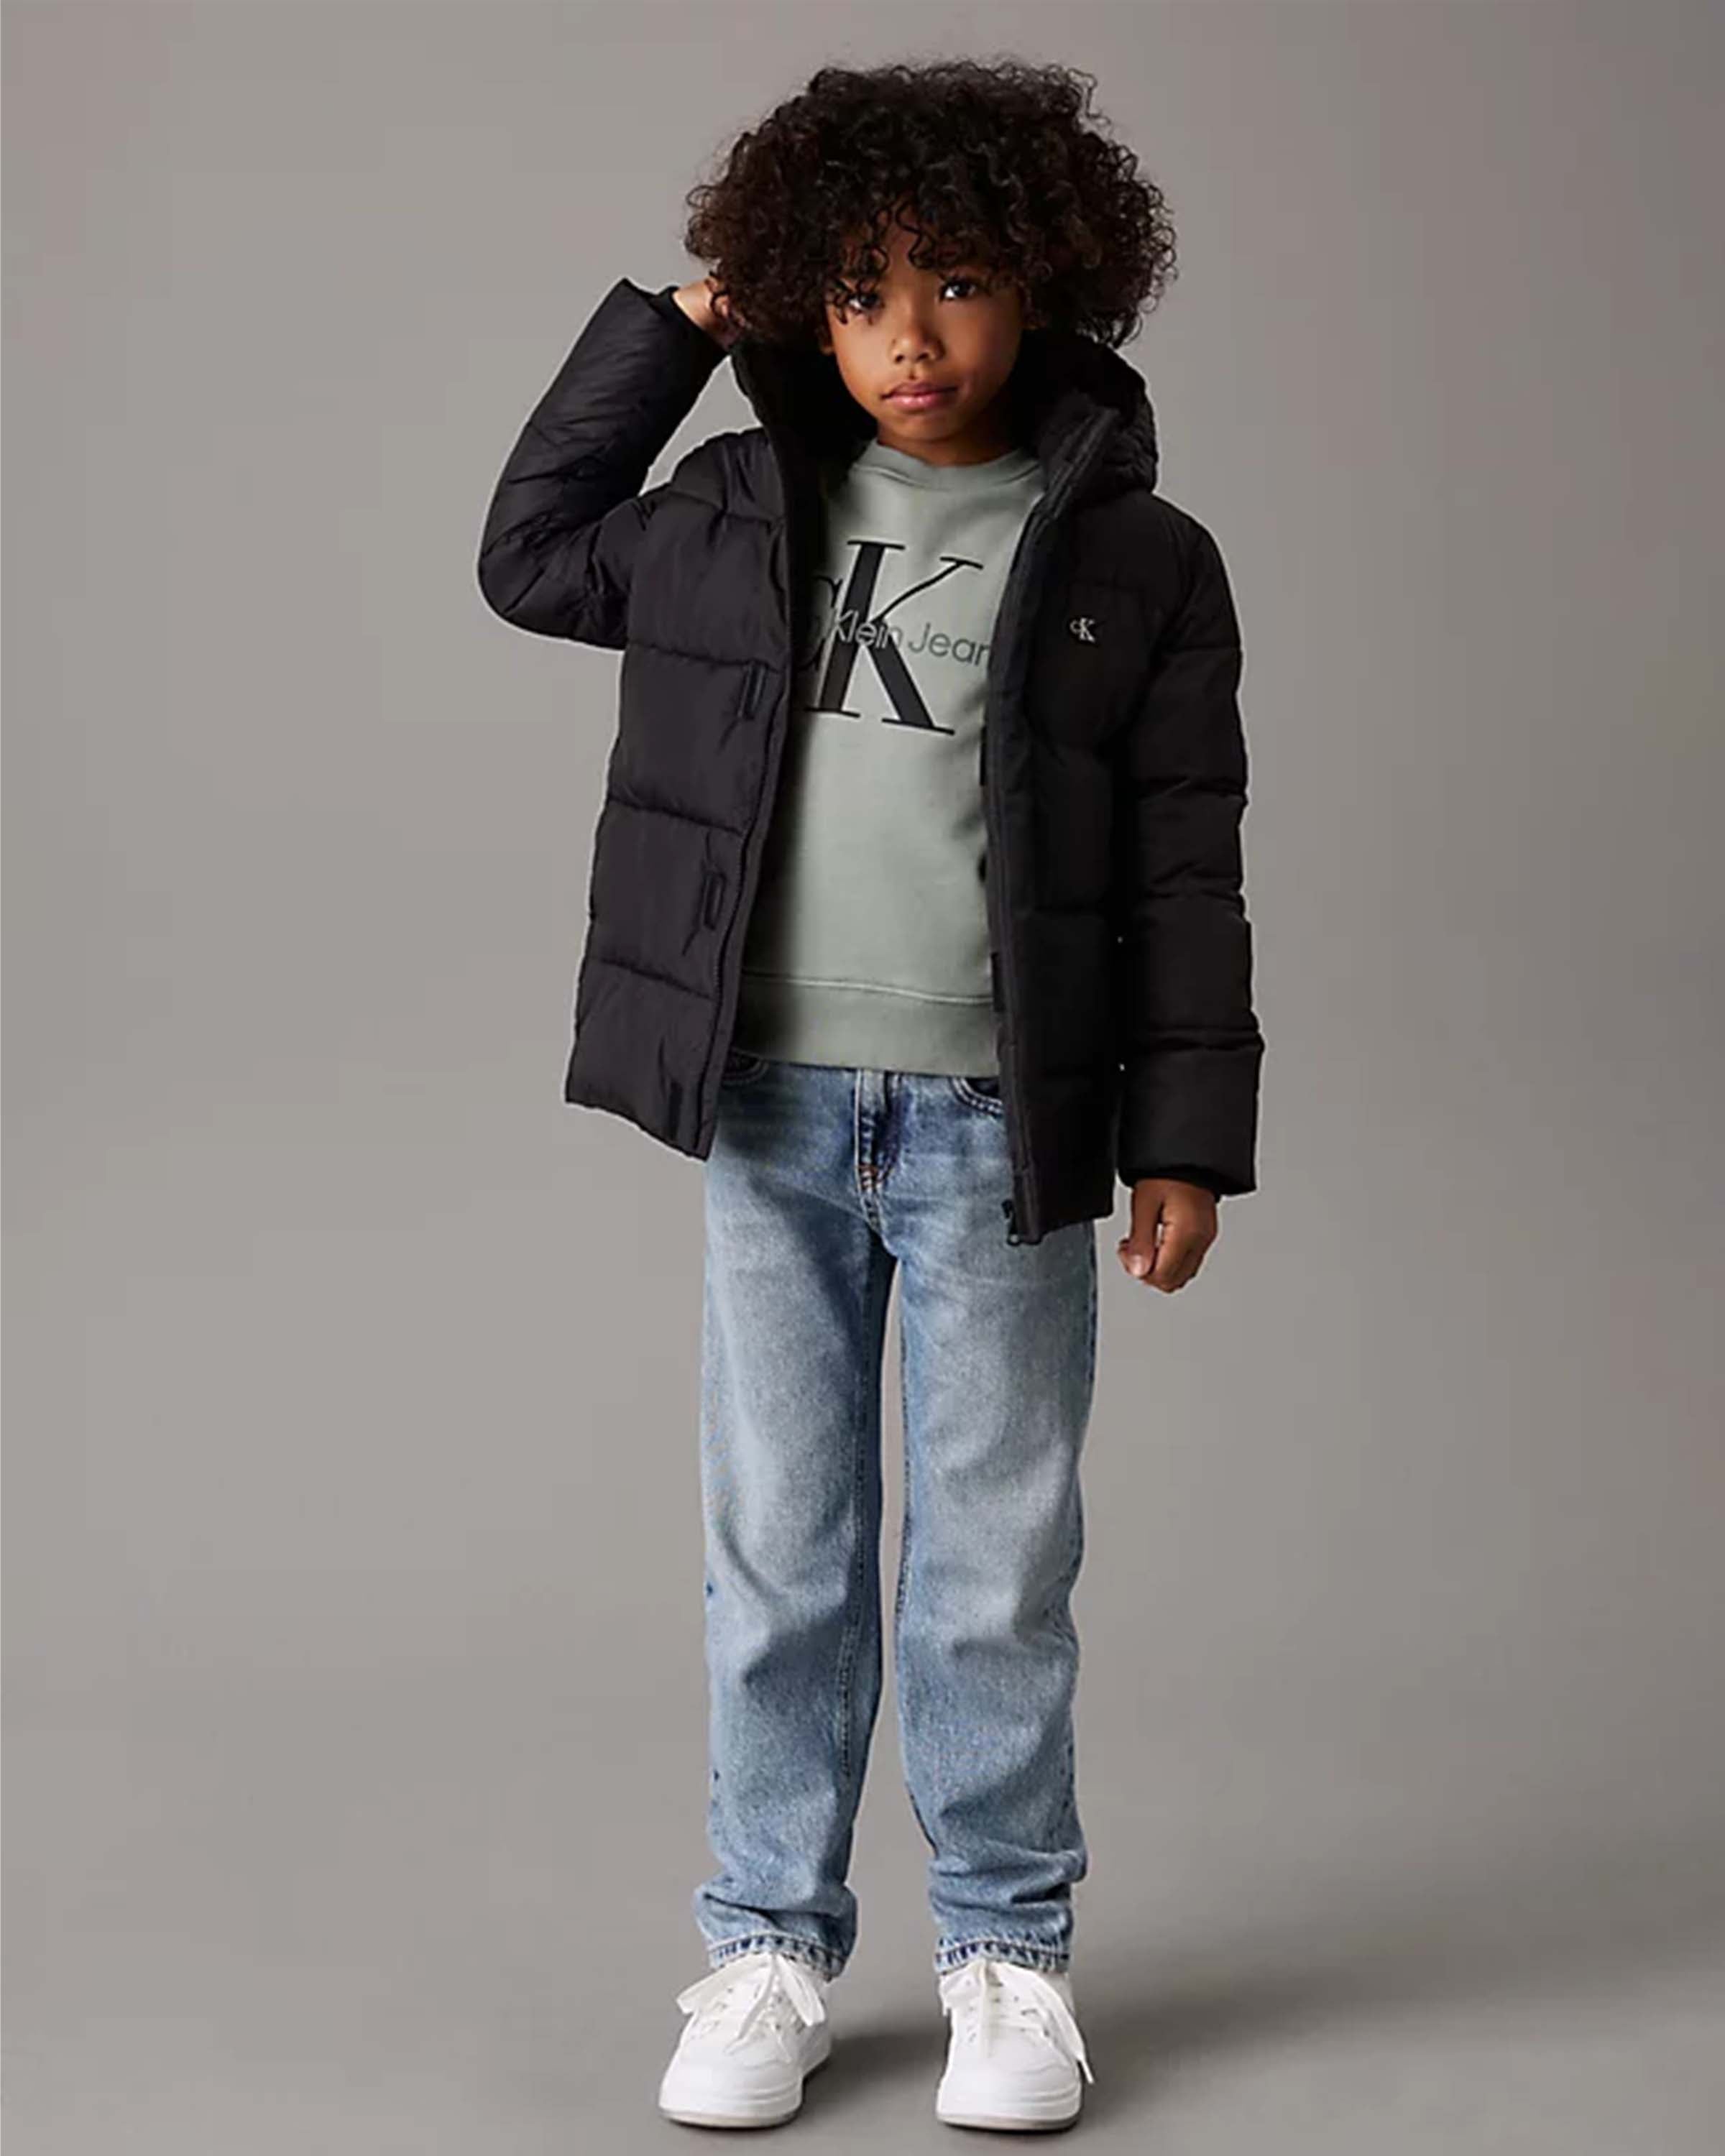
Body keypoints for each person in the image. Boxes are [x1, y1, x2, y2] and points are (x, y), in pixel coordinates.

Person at [477, 54, 1264, 2134]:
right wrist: (679, 323)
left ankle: (1009, 1954)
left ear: (1052, 285)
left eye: (959, 282)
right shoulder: (733, 513)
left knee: (995, 1565)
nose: (911, 336)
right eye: (855, 291)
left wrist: (1185, 1135)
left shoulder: (1140, 558)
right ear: (800, 308)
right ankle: (766, 1947)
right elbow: (527, 553)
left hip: (1007, 1126)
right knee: (782, 1555)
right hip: (770, 1109)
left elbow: (1185, 864)